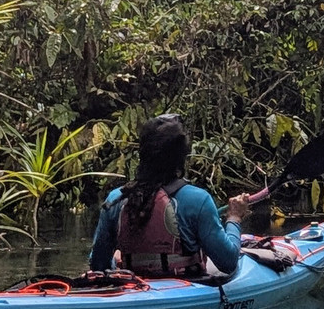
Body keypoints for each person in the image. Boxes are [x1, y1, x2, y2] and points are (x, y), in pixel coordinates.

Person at [89, 113, 251, 276]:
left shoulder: (116, 199)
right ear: (181, 157)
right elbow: (228, 263)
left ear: (142, 154)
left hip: (134, 285)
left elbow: (98, 265)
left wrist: (116, 260)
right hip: (187, 285)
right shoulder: (199, 200)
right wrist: (234, 218)